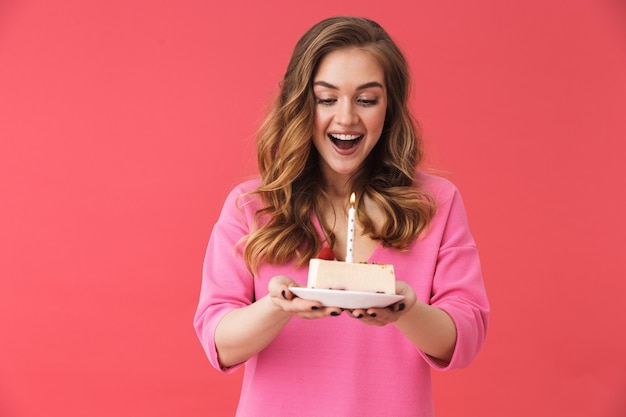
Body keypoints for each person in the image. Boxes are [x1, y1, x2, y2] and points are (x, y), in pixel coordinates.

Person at [194, 16, 489, 417]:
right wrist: (278, 306)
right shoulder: (250, 206)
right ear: (301, 103)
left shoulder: (436, 203)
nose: (346, 118)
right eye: (326, 99)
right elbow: (219, 343)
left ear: (390, 107)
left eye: (366, 100)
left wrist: (406, 310)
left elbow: (464, 337)